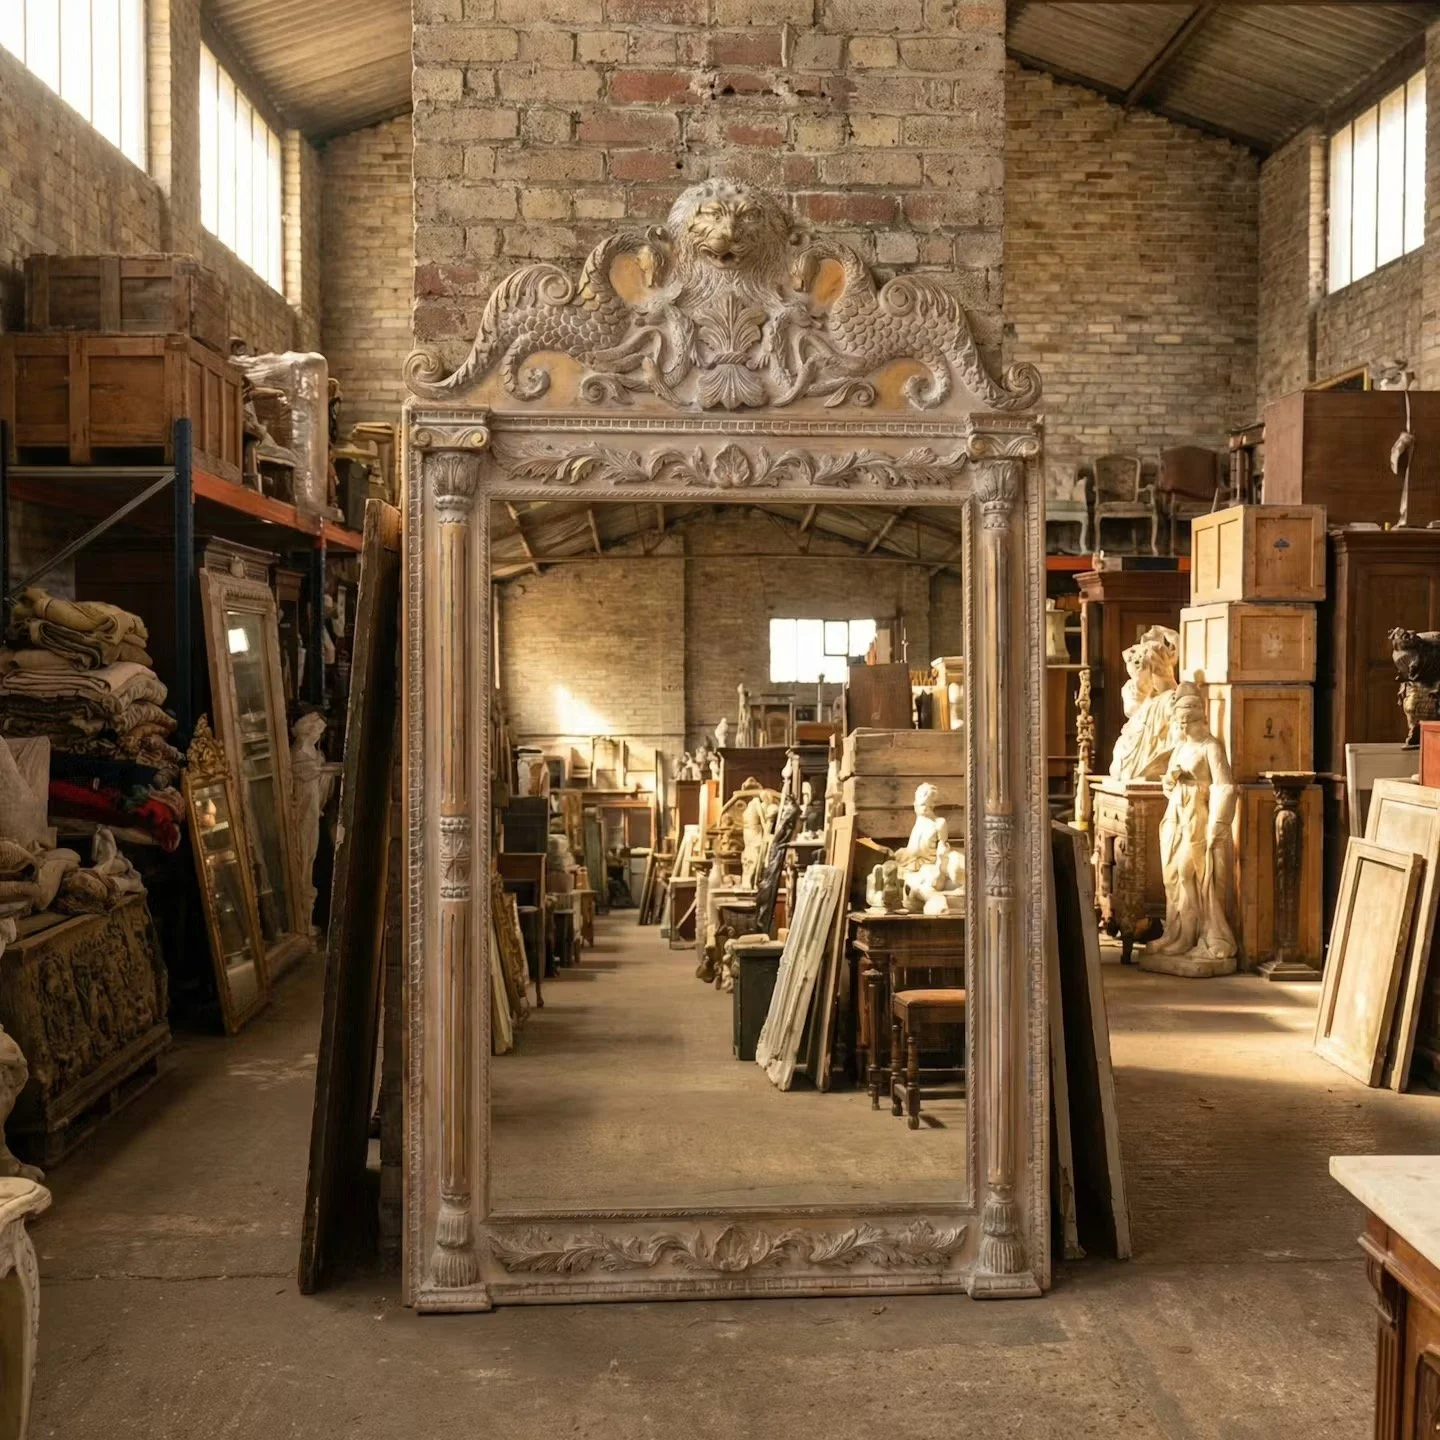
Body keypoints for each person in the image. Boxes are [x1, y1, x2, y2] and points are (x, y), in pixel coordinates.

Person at [1146, 684, 1237, 961]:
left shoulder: (1211, 747)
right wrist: (1171, 779)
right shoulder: (1181, 748)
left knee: (1191, 873)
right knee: (1172, 875)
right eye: (1180, 722)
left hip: (1197, 816)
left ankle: (1199, 935)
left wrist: (1218, 824)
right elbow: (1167, 785)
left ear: (1200, 718)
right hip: (1176, 814)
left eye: (1188, 722)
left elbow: (1225, 787)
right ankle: (1176, 934)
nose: (1184, 727)